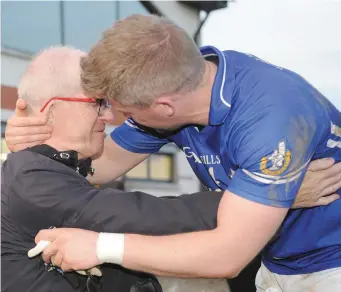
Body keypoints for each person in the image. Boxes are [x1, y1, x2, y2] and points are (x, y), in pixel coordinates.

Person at [5, 15, 341, 292]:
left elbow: (227, 254)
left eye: (123, 110)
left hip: (328, 265)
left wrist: (98, 246)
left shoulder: (270, 121)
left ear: (164, 106)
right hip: (276, 264)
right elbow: (102, 166)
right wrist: (37, 144)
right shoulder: (182, 90)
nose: (113, 118)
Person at [1, 46, 235, 292]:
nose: (109, 115)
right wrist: (254, 196)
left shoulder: (44, 169)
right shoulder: (33, 180)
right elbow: (149, 218)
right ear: (51, 112)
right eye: (98, 103)